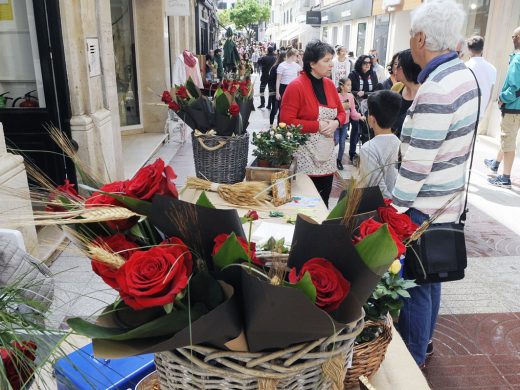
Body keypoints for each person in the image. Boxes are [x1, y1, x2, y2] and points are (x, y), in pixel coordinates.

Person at [392, 0, 479, 369]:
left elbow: (415, 165)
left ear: (422, 38)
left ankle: (412, 360)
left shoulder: (436, 88)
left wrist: (392, 211)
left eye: (412, 35)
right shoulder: (464, 75)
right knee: (431, 279)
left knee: (413, 287)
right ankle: (424, 344)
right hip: (447, 202)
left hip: (422, 208)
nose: (411, 42)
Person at [280, 40, 346, 206]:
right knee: (305, 206)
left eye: (331, 60)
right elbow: (286, 122)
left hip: (328, 158)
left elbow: (342, 113)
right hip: (304, 157)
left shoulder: (330, 85)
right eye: (326, 60)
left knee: (323, 203)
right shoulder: (296, 87)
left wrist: (336, 123)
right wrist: (317, 126)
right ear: (312, 63)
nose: (331, 64)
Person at [485, 27, 520, 188]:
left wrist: (501, 98)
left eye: (514, 36)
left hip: (513, 107)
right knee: (507, 137)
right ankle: (495, 163)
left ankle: (505, 178)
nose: (512, 38)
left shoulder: (518, 59)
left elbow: (515, 88)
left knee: (508, 140)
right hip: (516, 108)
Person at [359, 90, 402, 198]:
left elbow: (376, 188)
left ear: (372, 119)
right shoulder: (400, 143)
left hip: (380, 209)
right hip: (398, 206)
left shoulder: (368, 148)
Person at [348, 55, 381, 163]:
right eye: (365, 63)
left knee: (368, 130)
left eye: (369, 63)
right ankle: (352, 153)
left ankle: (366, 153)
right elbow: (347, 90)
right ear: (360, 63)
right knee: (356, 129)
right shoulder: (353, 74)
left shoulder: (373, 74)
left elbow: (376, 89)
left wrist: (366, 94)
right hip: (356, 105)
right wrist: (356, 92)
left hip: (369, 106)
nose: (367, 65)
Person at [391, 49, 421, 137]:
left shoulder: (424, 93)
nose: (395, 68)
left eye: (398, 65)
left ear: (408, 68)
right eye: (395, 64)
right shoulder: (396, 88)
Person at [335, 78, 363, 170]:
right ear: (342, 86)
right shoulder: (336, 96)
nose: (350, 87)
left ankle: (339, 160)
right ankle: (329, 159)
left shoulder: (351, 96)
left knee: (342, 143)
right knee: (336, 141)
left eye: (350, 85)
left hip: (345, 124)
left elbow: (353, 112)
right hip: (336, 123)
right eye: (348, 85)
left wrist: (360, 116)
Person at [276, 48, 302, 123]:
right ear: (292, 55)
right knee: (282, 108)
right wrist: (277, 93)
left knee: (293, 108)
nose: (298, 57)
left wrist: (300, 60)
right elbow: (278, 80)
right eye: (297, 55)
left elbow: (302, 69)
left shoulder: (296, 65)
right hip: (283, 87)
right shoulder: (282, 65)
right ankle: (280, 127)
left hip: (294, 88)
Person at [268, 51, 287, 124]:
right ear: (283, 58)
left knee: (281, 109)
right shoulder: (275, 67)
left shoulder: (287, 67)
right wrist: (274, 91)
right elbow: (270, 80)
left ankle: (279, 126)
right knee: (274, 109)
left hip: (283, 90)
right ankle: (271, 124)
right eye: (287, 57)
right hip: (275, 91)